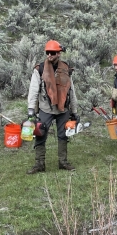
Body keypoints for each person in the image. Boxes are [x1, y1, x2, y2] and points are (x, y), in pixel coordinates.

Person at [26, 40, 79, 173]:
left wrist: (74, 111)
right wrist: (31, 110)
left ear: (59, 53)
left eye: (53, 53)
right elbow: (33, 90)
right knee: (40, 134)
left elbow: (71, 90)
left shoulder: (66, 68)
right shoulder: (39, 69)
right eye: (47, 52)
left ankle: (63, 162)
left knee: (63, 135)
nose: (49, 55)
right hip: (45, 108)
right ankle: (39, 164)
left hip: (63, 109)